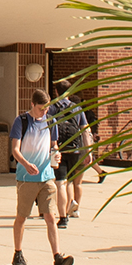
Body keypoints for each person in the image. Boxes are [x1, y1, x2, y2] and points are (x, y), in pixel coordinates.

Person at [8, 90, 75, 265]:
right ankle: (18, 252)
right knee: (22, 217)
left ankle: (57, 257)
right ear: (32, 104)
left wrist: (56, 153)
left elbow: (53, 144)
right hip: (26, 178)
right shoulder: (21, 122)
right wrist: (25, 163)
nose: (43, 112)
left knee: (50, 217)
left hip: (46, 176)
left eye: (45, 109)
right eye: (40, 109)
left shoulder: (51, 121)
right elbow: (15, 149)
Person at [47, 80, 92, 228]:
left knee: (60, 183)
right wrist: (89, 151)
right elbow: (85, 130)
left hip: (58, 149)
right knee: (70, 182)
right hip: (75, 149)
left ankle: (63, 217)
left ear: (57, 92)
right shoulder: (77, 108)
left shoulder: (52, 109)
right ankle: (71, 207)